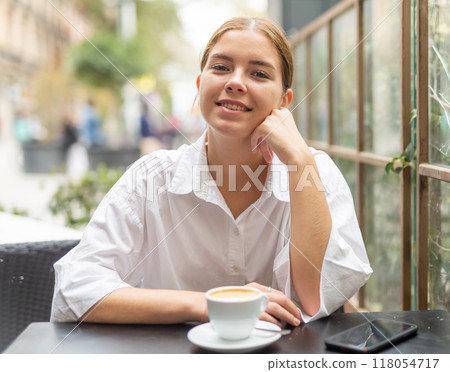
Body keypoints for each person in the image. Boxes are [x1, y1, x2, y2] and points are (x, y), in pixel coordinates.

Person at [51, 17, 372, 327]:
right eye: (220, 67)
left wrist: (300, 161)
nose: (234, 81)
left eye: (259, 73)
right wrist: (210, 304)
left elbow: (318, 299)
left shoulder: (314, 172)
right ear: (200, 83)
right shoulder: (152, 177)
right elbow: (75, 289)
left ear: (284, 102)